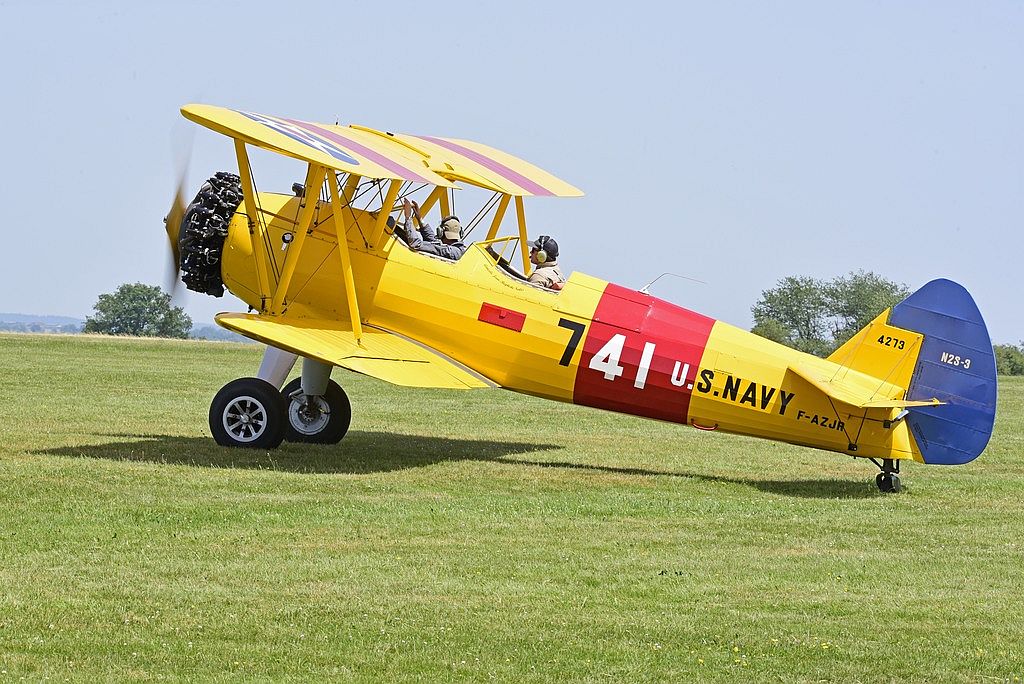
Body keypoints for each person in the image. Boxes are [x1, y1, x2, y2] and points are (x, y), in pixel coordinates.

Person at [400, 199, 467, 260]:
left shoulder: (450, 251)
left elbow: (416, 244)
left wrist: (408, 218)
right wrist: (419, 219)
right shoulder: (457, 250)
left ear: (441, 232)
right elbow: (435, 243)